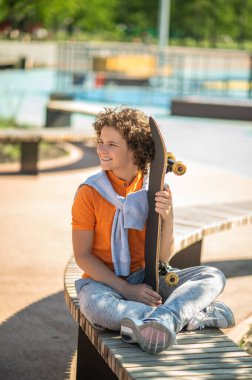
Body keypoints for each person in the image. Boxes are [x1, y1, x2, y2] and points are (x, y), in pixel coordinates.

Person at [72, 107, 235, 355]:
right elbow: (83, 256)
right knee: (96, 308)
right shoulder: (89, 192)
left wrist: (168, 217)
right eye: (101, 142)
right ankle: (190, 317)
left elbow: (162, 259)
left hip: (146, 279)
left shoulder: (154, 188)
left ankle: (160, 321)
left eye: (112, 144)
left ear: (135, 150)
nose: (102, 150)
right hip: (102, 284)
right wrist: (125, 289)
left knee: (212, 275)